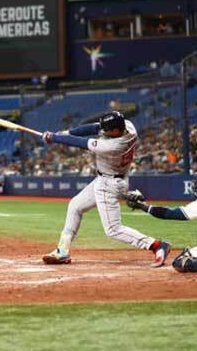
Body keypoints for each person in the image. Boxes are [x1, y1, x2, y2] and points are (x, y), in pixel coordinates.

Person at [41, 111, 171, 267]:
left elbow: (80, 143)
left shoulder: (113, 146)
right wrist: (66, 133)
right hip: (108, 179)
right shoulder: (128, 126)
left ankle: (156, 245)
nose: (103, 131)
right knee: (75, 206)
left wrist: (55, 138)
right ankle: (62, 251)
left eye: (107, 129)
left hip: (109, 184)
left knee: (113, 229)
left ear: (116, 131)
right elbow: (94, 127)